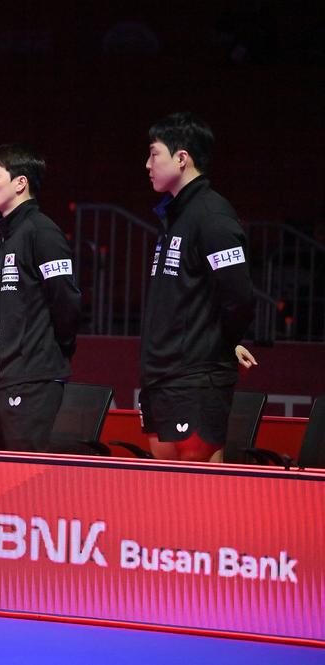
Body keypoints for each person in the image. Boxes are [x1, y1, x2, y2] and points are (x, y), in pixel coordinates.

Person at [139, 112, 255, 462]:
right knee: (166, 491)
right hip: (160, 373)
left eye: (154, 153)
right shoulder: (173, 217)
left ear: (182, 158)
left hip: (196, 376)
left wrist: (222, 341)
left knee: (200, 492)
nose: (148, 164)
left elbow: (239, 296)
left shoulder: (212, 216)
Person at [0, 145, 81, 452]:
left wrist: (49, 349)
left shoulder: (42, 233)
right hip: (3, 378)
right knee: (2, 480)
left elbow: (67, 301)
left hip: (32, 378)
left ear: (20, 183)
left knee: (25, 481)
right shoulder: (4, 242)